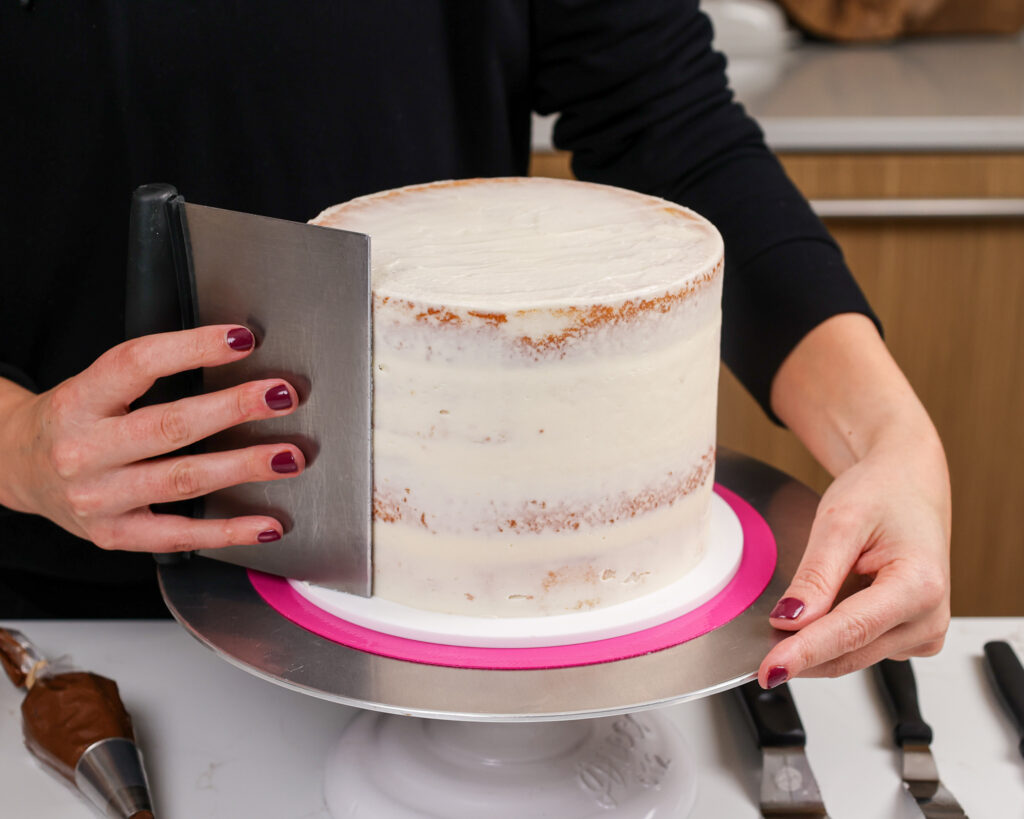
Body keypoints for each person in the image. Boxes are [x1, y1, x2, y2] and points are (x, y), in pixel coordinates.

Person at [0, 1, 949, 689]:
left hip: (478, 635)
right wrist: (17, 444)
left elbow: (668, 120)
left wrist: (890, 438)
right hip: (50, 622)